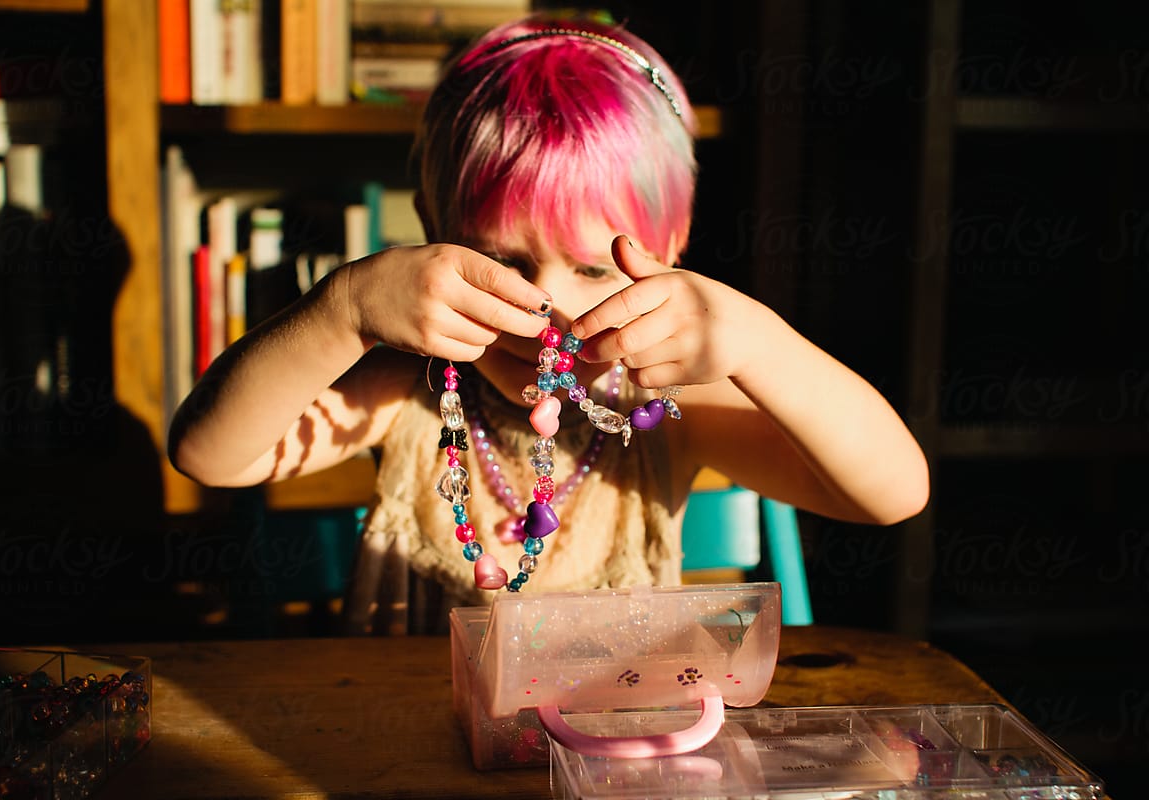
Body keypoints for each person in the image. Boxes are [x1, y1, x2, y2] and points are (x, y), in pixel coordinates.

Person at [168, 13, 929, 634]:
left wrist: (767, 346)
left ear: (669, 250)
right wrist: (345, 310)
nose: (547, 313)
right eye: (501, 262)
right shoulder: (415, 388)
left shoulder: (666, 408)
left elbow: (893, 494)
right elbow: (208, 451)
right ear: (434, 231)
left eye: (594, 269)